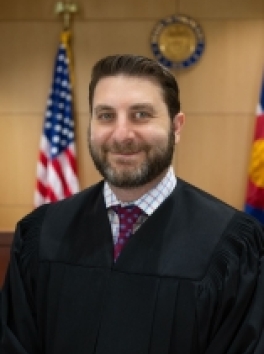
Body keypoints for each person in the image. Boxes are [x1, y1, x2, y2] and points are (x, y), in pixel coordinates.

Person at [1, 54, 264, 354]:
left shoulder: (232, 247)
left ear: (176, 127)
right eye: (106, 115)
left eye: (141, 114)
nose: (122, 134)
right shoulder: (42, 233)